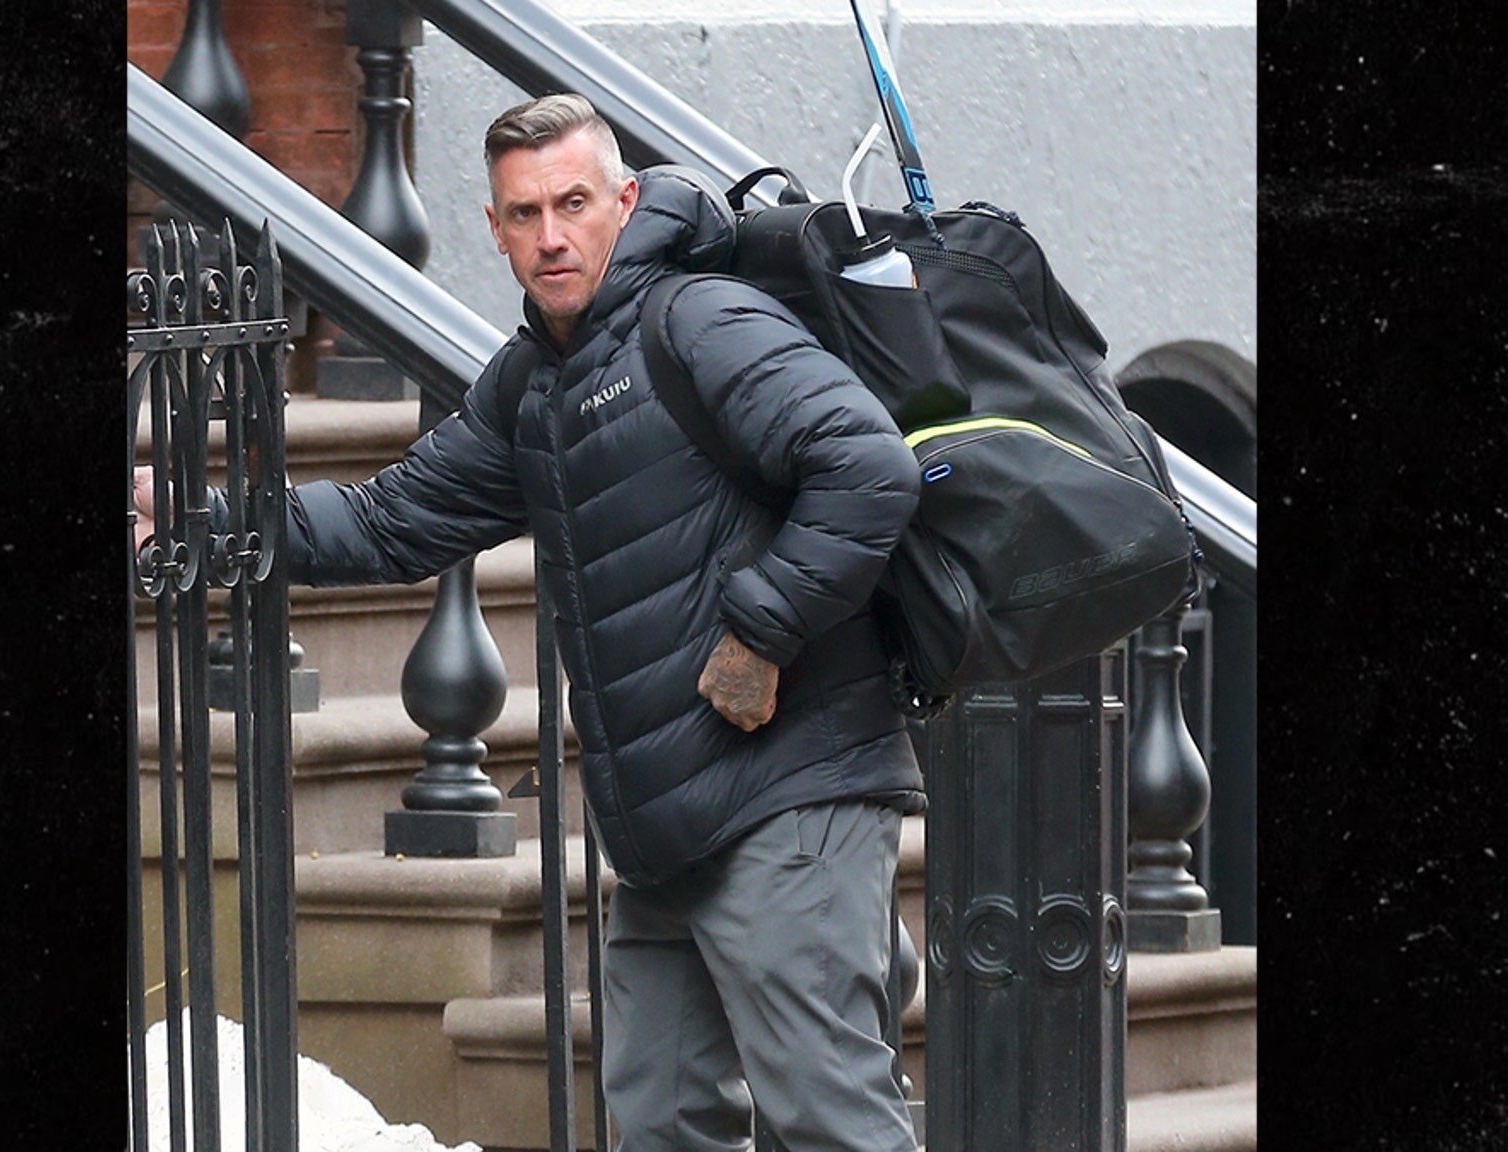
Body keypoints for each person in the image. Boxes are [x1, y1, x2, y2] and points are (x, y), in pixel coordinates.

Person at [141, 94, 925, 1152]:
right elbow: (392, 520)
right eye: (524, 213)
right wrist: (205, 517)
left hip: (788, 799)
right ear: (494, 227)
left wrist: (762, 630)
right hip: (663, 828)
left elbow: (869, 468)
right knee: (661, 1121)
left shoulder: (702, 323)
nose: (551, 236)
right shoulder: (536, 382)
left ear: (625, 202)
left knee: (831, 1126)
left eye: (573, 204)